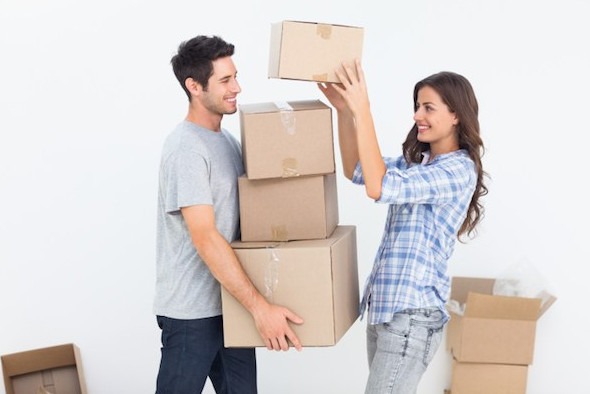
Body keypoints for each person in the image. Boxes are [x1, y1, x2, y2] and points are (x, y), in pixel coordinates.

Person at [318, 60, 487, 394]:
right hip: (386, 308)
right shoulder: (419, 163)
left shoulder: (457, 171)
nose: (417, 116)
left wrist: (363, 108)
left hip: (412, 314)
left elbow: (379, 188)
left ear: (456, 115)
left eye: (428, 107)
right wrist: (343, 111)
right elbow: (357, 170)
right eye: (416, 106)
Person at [154, 35, 303, 394]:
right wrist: (260, 308)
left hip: (230, 306)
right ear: (194, 86)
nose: (237, 87)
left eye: (235, 76)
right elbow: (205, 236)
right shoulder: (186, 149)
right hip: (191, 313)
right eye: (225, 80)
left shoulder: (227, 143)